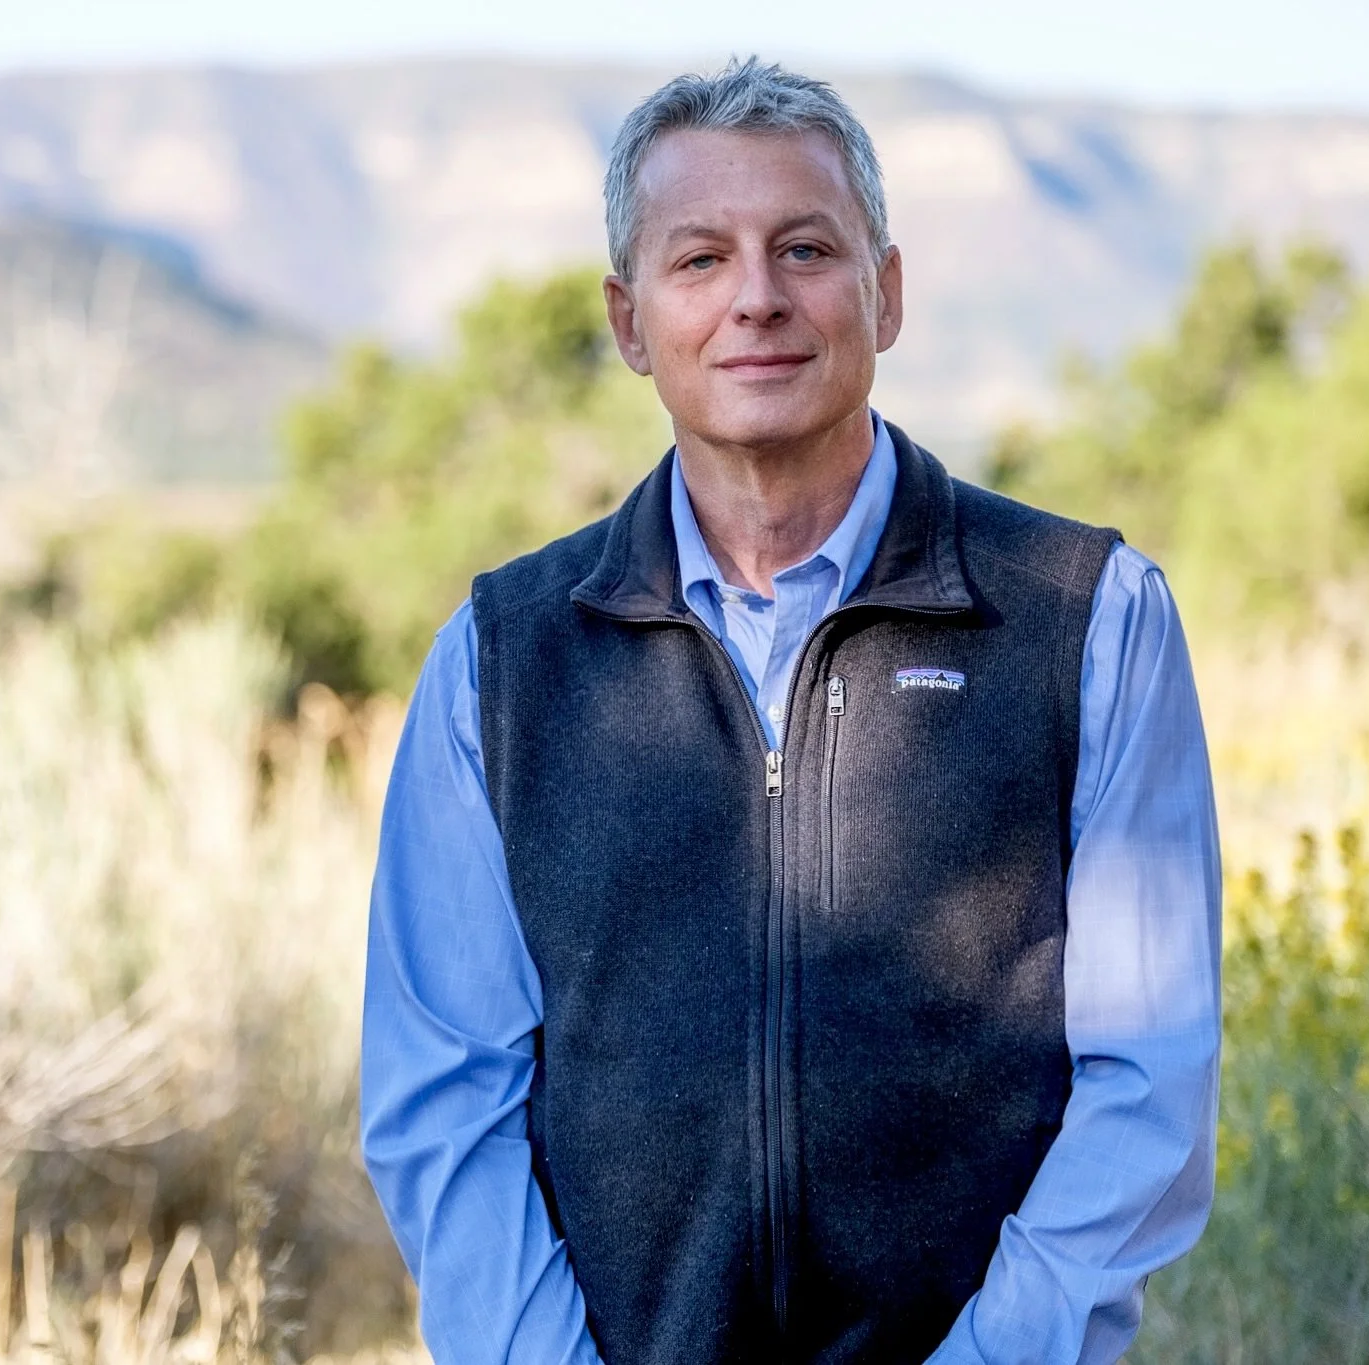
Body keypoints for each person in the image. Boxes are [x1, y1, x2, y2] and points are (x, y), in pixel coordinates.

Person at [359, 57, 1221, 1365]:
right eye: (699, 258)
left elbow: (1147, 1086)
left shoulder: (1088, 617)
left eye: (805, 248)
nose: (757, 298)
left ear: (885, 292)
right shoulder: (500, 662)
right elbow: (444, 1109)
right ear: (629, 320)